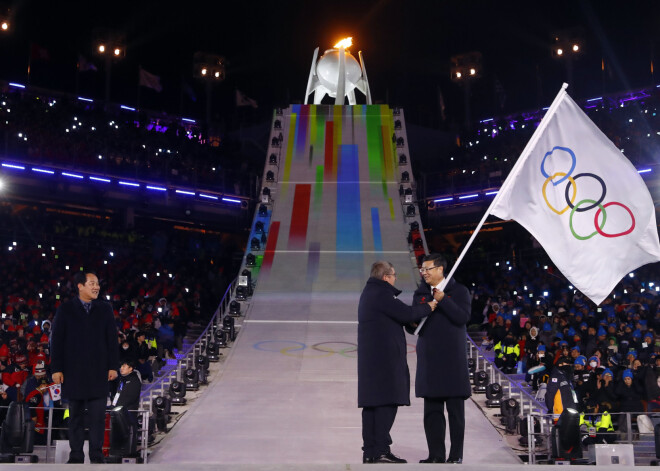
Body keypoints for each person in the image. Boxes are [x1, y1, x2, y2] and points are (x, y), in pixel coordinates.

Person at [358, 261, 437, 464]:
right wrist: (430, 306)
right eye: (393, 275)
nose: (395, 278)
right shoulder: (382, 294)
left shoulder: (369, 293)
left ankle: (371, 451)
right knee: (387, 401)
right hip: (384, 361)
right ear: (385, 277)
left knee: (372, 405)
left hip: (371, 361)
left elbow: (398, 317)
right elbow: (407, 313)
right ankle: (381, 450)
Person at [50, 272, 119, 464]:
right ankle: (76, 455)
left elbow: (112, 340)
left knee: (97, 418)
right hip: (74, 373)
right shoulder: (65, 309)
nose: (96, 287)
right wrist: (56, 368)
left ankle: (96, 455)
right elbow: (56, 341)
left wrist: (113, 366)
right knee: (75, 418)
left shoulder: (105, 309)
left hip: (98, 373)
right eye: (92, 283)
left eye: (97, 283)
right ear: (80, 286)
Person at [412, 253, 471, 464]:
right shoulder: (420, 293)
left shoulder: (460, 291)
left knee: (456, 413)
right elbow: (415, 320)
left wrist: (443, 300)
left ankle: (456, 456)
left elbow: (462, 317)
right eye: (422, 269)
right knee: (432, 412)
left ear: (440, 269)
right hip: (430, 360)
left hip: (452, 362)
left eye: (428, 269)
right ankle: (435, 455)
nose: (424, 273)